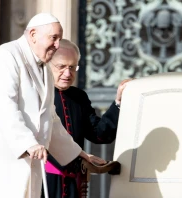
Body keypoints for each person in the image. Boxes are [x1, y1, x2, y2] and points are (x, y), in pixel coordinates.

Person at [0, 13, 105, 198]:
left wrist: (77, 152)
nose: (57, 45)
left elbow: (51, 119)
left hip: (29, 163)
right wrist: (28, 142)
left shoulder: (45, 69)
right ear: (33, 34)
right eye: (54, 38)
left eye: (59, 38)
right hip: (1, 161)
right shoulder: (6, 56)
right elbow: (3, 105)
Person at [41, 39, 132, 198]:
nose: (68, 74)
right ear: (48, 64)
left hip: (73, 184)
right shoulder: (37, 94)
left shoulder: (79, 96)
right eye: (61, 67)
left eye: (72, 67)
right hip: (43, 182)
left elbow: (100, 134)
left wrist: (118, 102)